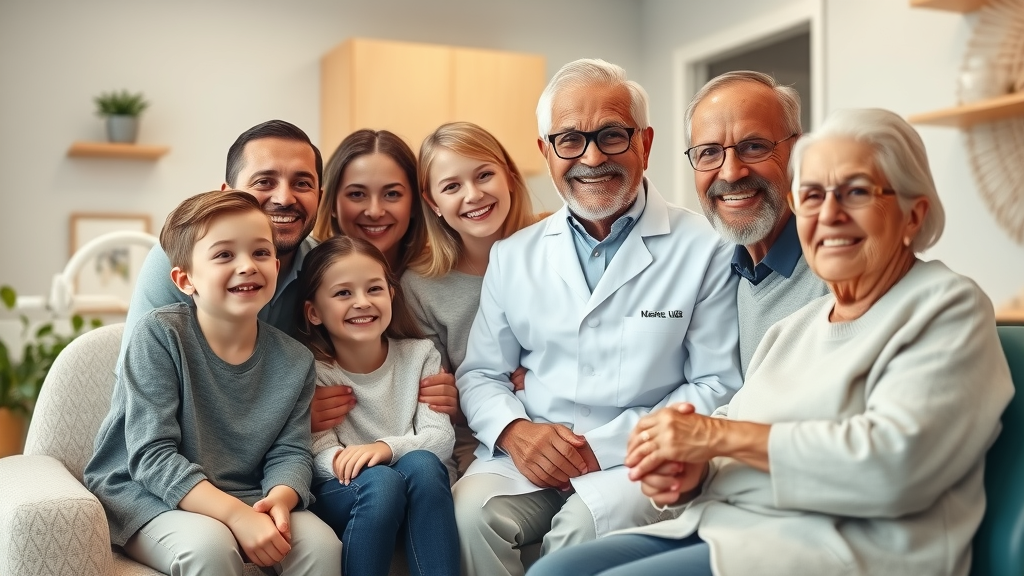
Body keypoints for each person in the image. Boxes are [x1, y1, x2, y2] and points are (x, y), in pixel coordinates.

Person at [529, 108, 1014, 576]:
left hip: (849, 550)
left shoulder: (946, 306)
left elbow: (895, 466)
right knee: (559, 569)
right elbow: (728, 442)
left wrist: (714, 438)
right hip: (732, 530)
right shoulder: (796, 328)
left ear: (913, 214)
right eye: (812, 195)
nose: (830, 215)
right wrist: (686, 470)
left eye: (857, 192)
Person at [453, 58, 743, 576]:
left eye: (612, 135)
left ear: (646, 144)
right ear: (546, 151)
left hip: (640, 455)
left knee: (580, 532)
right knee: (469, 514)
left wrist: (602, 447)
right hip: (529, 454)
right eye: (568, 140)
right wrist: (516, 431)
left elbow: (716, 384)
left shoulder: (706, 247)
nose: (591, 157)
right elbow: (481, 373)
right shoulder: (513, 255)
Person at [84, 190, 341, 576]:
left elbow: (291, 453)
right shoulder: (159, 335)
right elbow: (151, 457)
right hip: (148, 493)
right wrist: (237, 517)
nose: (247, 266)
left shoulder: (295, 360)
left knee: (322, 546)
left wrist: (280, 501)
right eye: (224, 255)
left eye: (260, 253)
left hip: (249, 494)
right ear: (185, 279)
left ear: (275, 261)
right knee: (210, 548)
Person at [295, 236, 458, 576]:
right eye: (343, 293)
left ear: (391, 294)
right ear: (314, 312)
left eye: (374, 289)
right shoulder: (313, 370)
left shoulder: (420, 355)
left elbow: (440, 439)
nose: (362, 302)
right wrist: (348, 461)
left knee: (425, 464)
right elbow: (317, 454)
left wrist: (384, 448)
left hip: (419, 482)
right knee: (383, 483)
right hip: (349, 491)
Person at [402, 121, 537, 477]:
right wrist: (501, 391)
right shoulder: (420, 286)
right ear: (433, 203)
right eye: (452, 186)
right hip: (481, 439)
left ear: (509, 175)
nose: (473, 194)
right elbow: (440, 400)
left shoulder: (557, 241)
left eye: (484, 175)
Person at [685, 71, 828, 374]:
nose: (731, 173)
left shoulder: (841, 275)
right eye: (709, 152)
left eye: (754, 146)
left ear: (799, 153)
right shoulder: (713, 274)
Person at [312, 128, 427, 277]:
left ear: (415, 203)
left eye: (392, 194)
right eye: (357, 194)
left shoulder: (441, 281)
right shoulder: (309, 277)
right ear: (332, 203)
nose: (374, 212)